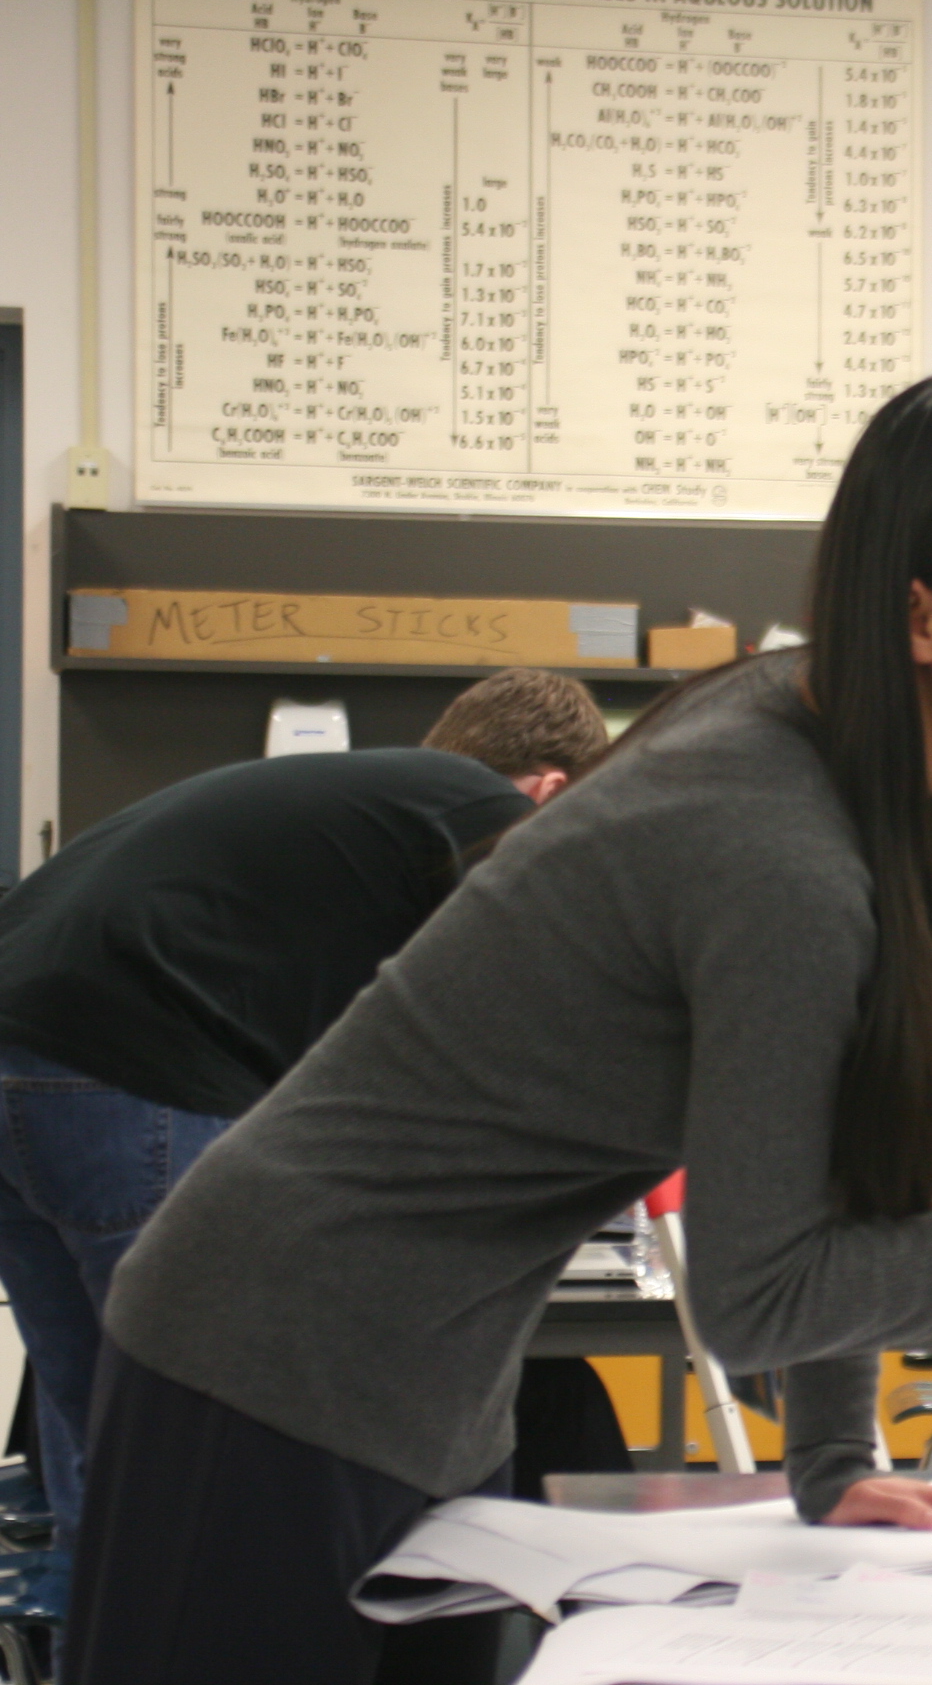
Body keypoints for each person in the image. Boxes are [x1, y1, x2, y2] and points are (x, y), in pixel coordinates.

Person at [68, 367, 932, 1684]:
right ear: (925, 616)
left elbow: (829, 1170)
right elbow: (766, 1298)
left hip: (414, 1387)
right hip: (263, 1363)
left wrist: (830, 1463)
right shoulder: (779, 853)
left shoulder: (849, 764)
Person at [0, 667, 609, 1574]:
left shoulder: (360, 809)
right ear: (551, 791)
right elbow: (486, 1036)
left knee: (103, 1431)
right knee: (203, 1422)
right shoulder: (482, 813)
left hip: (20, 1056)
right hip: (122, 1067)